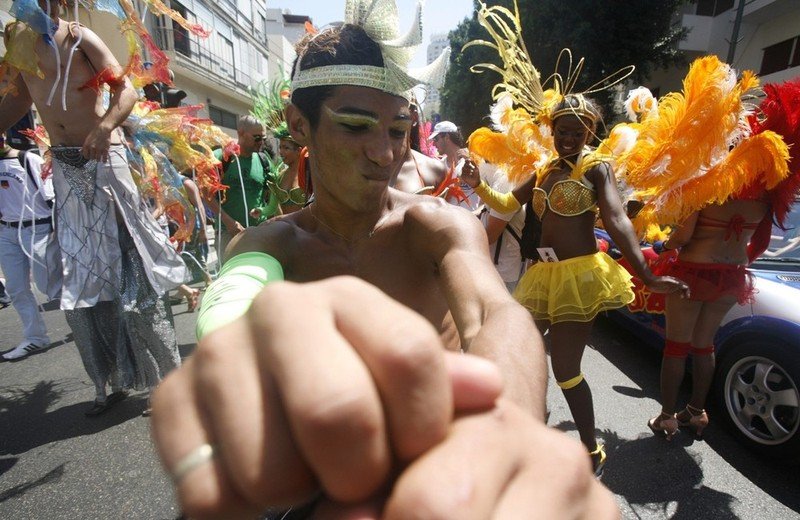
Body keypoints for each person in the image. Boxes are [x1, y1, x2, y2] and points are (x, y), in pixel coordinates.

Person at [151, 13, 616, 518]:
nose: (385, 152)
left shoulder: (436, 224)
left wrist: (508, 431)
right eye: (355, 126)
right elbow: (232, 311)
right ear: (298, 124)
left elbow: (493, 313)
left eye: (399, 129)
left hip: (451, 469)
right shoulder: (267, 245)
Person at [461, 93, 689, 474]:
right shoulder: (545, 169)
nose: (567, 139)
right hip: (542, 274)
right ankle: (526, 429)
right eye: (561, 131)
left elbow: (616, 218)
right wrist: (477, 186)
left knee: (566, 369)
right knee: (519, 355)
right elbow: (506, 204)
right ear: (552, 131)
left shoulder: (595, 168)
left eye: (576, 133)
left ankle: (589, 447)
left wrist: (647, 274)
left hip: (579, 277)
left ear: (589, 133)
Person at [0, 5, 188, 414]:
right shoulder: (17, 43)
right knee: (82, 280)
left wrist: (104, 128)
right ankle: (110, 382)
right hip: (66, 168)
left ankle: (171, 384)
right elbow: (15, 101)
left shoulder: (81, 38)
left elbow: (126, 91)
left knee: (132, 266)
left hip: (106, 159)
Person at [0, 134, 62, 361]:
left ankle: (90, 325)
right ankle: (35, 337)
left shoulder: (27, 160)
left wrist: (56, 228)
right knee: (16, 288)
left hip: (38, 228)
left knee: (49, 284)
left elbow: (52, 195)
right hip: (7, 231)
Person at [206, 115, 275, 264]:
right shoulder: (221, 158)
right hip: (228, 233)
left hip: (258, 232)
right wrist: (229, 222)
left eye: (262, 138)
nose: (260, 142)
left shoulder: (264, 161)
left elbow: (272, 196)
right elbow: (207, 195)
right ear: (241, 133)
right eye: (256, 138)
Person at [429, 120, 482, 211]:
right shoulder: (439, 167)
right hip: (450, 222)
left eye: (436, 139)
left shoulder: (472, 159)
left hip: (473, 221)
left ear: (446, 137)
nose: (433, 144)